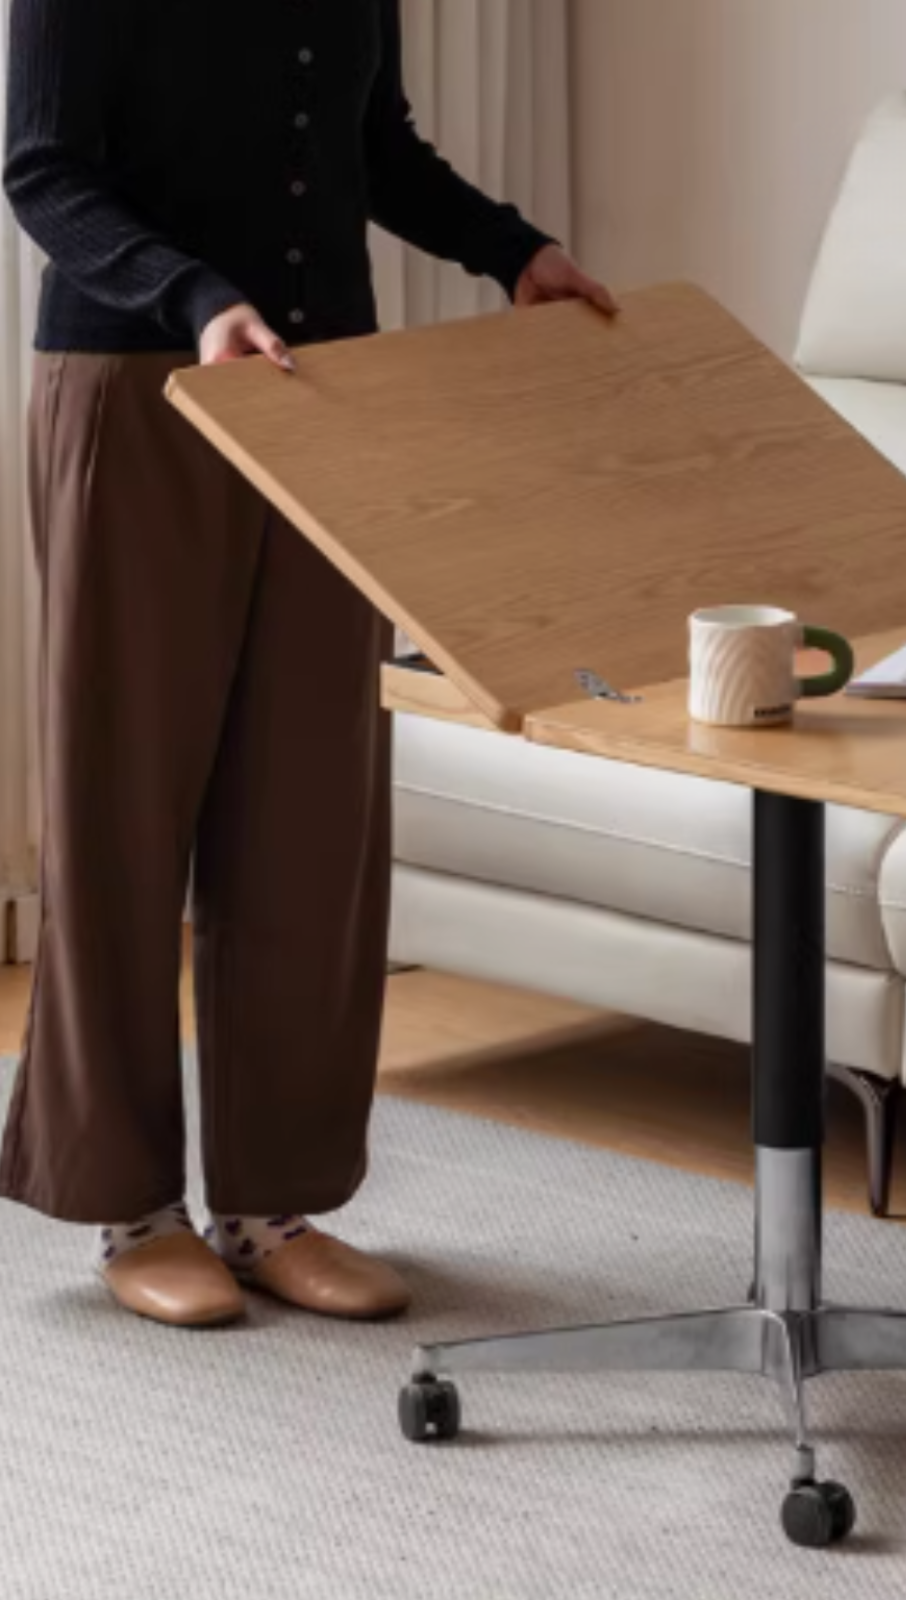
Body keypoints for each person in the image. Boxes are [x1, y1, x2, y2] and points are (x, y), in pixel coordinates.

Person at [1, 0, 616, 1329]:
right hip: (142, 390)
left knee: (308, 810)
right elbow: (41, 172)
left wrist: (515, 252)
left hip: (330, 398)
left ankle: (269, 1206)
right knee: (123, 804)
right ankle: (132, 1208)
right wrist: (198, 297)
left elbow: (372, 146)